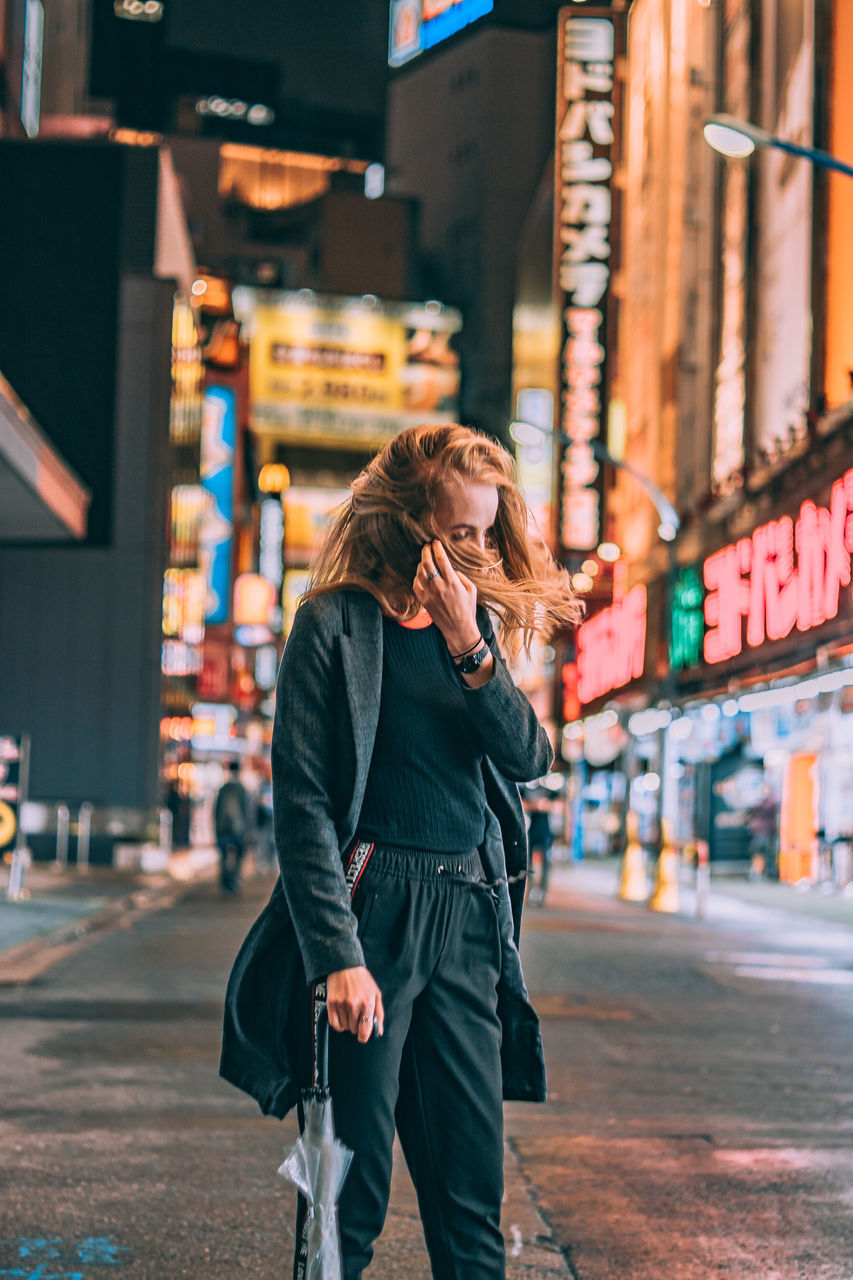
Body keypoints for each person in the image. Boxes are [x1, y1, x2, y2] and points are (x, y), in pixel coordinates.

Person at [220, 423, 582, 1280]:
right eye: (459, 531)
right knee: (349, 1195)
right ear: (408, 522)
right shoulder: (333, 626)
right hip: (370, 908)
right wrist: (335, 959)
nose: (478, 547)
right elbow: (303, 807)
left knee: (469, 1198)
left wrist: (470, 646)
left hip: (467, 917)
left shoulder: (472, 629)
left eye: (486, 530)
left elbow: (530, 758)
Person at [214, 760, 251, 894]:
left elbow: (216, 811)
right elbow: (246, 811)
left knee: (224, 857)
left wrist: (216, 829)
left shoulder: (223, 789)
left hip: (223, 828)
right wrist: (248, 829)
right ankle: (234, 882)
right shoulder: (241, 789)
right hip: (239, 828)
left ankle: (224, 884)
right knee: (239, 856)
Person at [523, 784, 558, 906]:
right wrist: (537, 805)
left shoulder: (550, 791)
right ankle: (529, 892)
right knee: (529, 865)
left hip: (546, 833)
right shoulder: (527, 791)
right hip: (532, 832)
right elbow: (522, 804)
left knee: (546, 865)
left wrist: (543, 806)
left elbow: (559, 805)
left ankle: (543, 894)